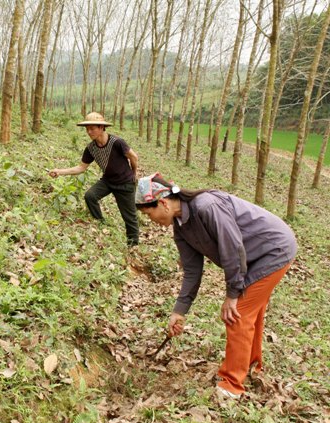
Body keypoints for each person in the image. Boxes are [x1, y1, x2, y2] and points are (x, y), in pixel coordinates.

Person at [134, 173, 297, 399]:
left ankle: (230, 385)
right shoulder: (181, 229)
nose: (149, 219)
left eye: (148, 213)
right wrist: (179, 312)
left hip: (273, 249)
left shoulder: (206, 206)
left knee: (237, 313)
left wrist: (232, 294)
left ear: (162, 203)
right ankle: (251, 365)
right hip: (253, 257)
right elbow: (192, 272)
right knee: (250, 311)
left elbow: (233, 249)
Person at [49, 112, 139, 246]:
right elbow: (81, 168)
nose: (89, 132)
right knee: (90, 196)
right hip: (108, 181)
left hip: (125, 183)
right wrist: (59, 171)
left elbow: (134, 157)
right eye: (87, 129)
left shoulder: (117, 142)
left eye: (92, 128)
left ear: (102, 127)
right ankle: (100, 222)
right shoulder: (91, 148)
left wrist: (133, 173)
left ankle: (133, 245)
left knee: (129, 217)